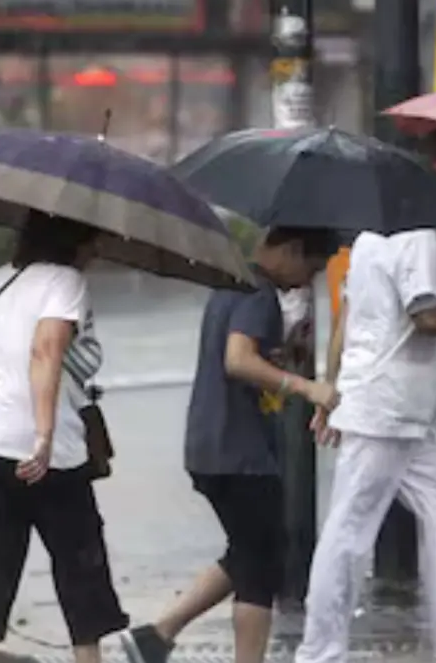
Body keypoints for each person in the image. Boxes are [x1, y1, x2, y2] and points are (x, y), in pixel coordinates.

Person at [295, 127, 436, 663]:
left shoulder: (374, 234)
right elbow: (427, 318)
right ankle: (319, 651)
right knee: (350, 531)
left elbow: (347, 319)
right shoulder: (421, 235)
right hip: (388, 408)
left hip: (395, 406)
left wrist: (332, 391)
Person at [120, 227, 342, 663]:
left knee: (252, 549)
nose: (307, 282)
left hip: (208, 444)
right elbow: (238, 360)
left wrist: (279, 355)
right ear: (291, 251)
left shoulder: (227, 284)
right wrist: (307, 387)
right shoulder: (260, 295)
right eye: (311, 268)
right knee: (262, 564)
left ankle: (158, 635)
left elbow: (242, 355)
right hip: (241, 451)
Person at [0, 211, 126, 663]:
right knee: (80, 560)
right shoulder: (65, 283)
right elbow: (45, 351)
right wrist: (42, 436)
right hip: (46, 450)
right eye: (93, 242)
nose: (97, 252)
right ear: (73, 241)